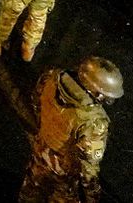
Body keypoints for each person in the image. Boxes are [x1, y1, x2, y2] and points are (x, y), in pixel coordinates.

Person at [16, 58, 123, 203]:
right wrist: (92, 195)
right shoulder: (93, 122)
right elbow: (88, 167)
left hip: (40, 150)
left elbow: (36, 102)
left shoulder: (52, 76)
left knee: (31, 191)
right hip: (63, 172)